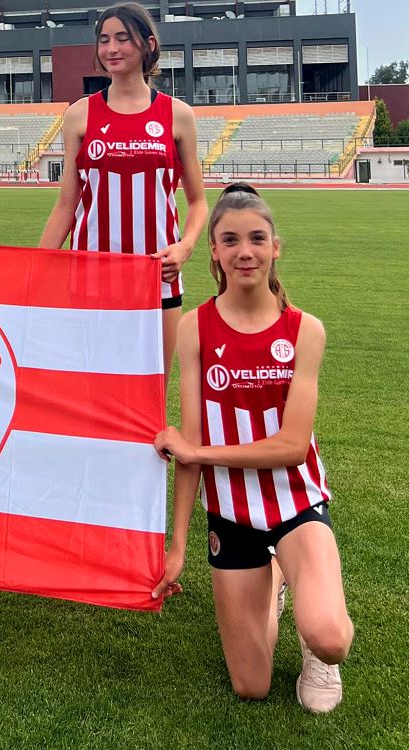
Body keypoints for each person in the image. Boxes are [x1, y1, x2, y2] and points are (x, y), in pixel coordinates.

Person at [152, 184, 354, 713]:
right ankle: (277, 581)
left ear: (275, 247)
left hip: (295, 503)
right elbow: (191, 437)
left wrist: (200, 454)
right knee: (251, 685)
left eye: (257, 238)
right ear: (214, 251)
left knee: (331, 636)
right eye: (231, 240)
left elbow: (291, 447)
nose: (246, 251)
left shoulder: (305, 330)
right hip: (231, 515)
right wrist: (178, 547)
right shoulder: (194, 327)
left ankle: (313, 644)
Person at [38, 1, 207, 378]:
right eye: (103, 40)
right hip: (91, 277)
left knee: (152, 391)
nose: (111, 48)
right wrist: (35, 268)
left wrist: (184, 247)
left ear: (148, 44)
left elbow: (198, 202)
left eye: (122, 38)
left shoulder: (177, 115)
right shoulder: (79, 114)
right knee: (93, 389)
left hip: (158, 278)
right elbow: (66, 206)